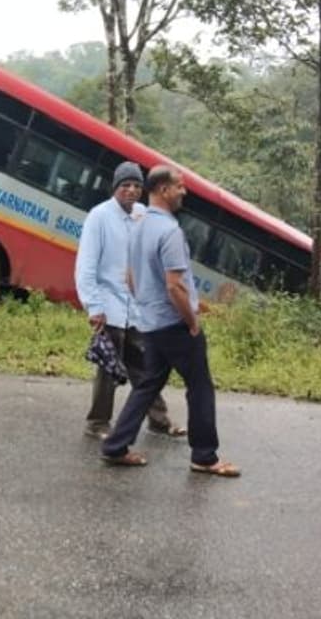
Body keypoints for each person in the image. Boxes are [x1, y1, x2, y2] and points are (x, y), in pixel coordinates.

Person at [100, 165, 240, 478]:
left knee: (148, 384)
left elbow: (130, 276)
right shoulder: (170, 232)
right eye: (180, 186)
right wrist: (191, 321)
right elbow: (174, 285)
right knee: (200, 387)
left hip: (150, 323)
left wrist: (145, 307)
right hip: (175, 325)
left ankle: (115, 446)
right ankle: (205, 456)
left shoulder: (138, 226)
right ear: (164, 190)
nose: (184, 192)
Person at [75, 161, 183, 441]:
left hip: (135, 308)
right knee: (108, 368)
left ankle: (159, 421)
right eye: (126, 185)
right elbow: (85, 265)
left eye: (136, 186)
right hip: (108, 304)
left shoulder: (142, 215)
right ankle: (97, 423)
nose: (132, 191)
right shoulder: (99, 217)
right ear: (115, 188)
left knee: (147, 367)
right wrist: (93, 306)